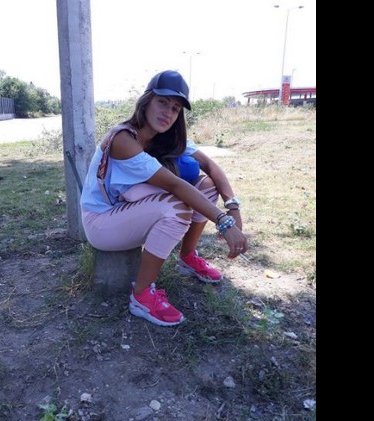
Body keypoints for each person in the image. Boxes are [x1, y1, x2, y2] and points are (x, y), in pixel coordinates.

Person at [80, 70, 248, 326]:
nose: (168, 113)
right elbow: (174, 185)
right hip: (101, 222)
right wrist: (224, 223)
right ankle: (141, 296)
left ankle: (187, 257)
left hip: (129, 210)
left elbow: (210, 166)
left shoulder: (163, 138)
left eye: (175, 108)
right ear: (147, 101)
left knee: (207, 186)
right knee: (177, 208)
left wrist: (232, 205)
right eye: (162, 102)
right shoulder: (124, 139)